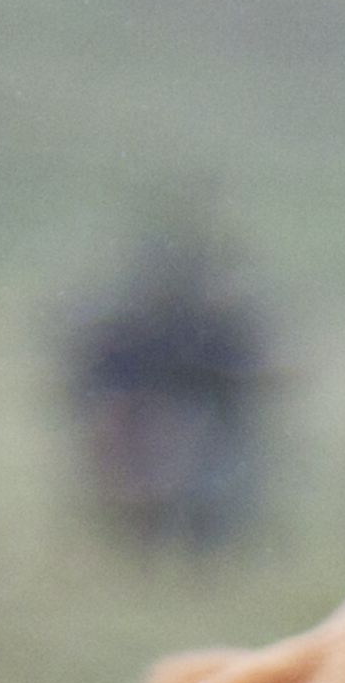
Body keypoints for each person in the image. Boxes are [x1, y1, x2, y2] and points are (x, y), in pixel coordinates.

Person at [60, 195, 280, 560]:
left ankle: (193, 542)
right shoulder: (137, 328)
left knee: (205, 484)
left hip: (201, 423)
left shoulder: (206, 324)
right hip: (154, 423)